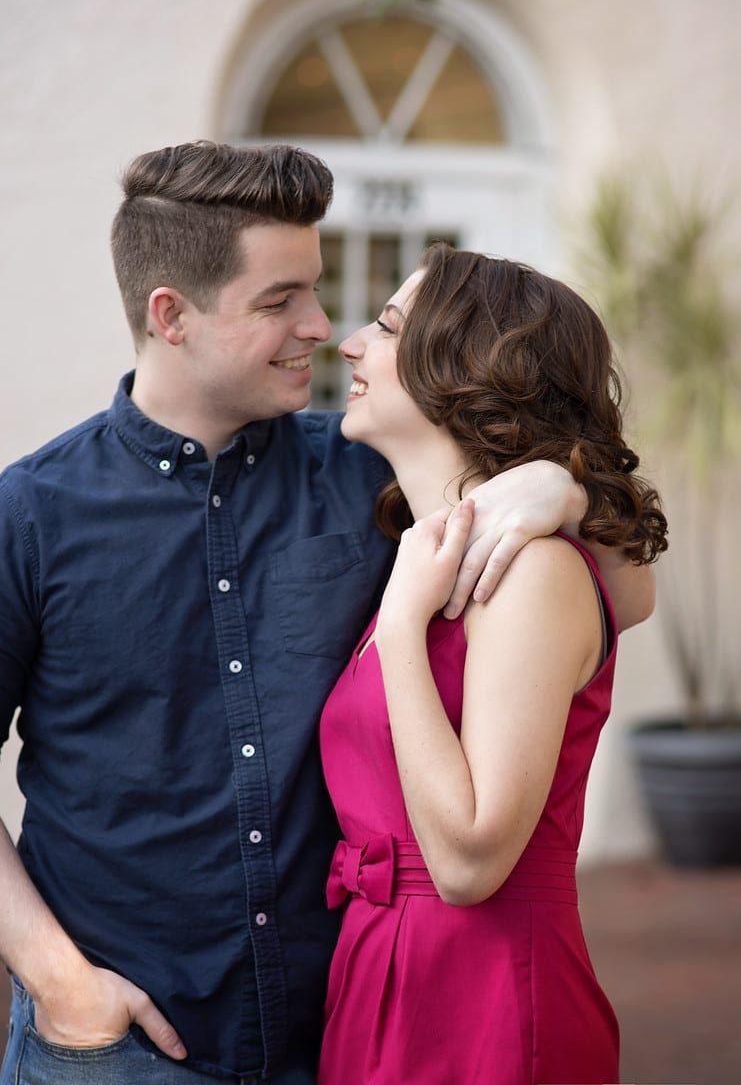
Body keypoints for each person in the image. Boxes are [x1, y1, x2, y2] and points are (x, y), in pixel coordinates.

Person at [0, 142, 654, 1085]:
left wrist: (558, 490)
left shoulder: (369, 472)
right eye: (279, 302)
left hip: (343, 1028)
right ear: (170, 315)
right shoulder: (32, 513)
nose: (320, 323)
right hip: (121, 1045)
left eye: (314, 288)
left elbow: (619, 597)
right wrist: (59, 981)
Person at [318, 245, 668, 1085]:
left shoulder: (529, 574)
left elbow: (470, 864)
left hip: (485, 995)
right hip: (378, 972)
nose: (349, 345)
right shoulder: (431, 562)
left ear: (462, 367)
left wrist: (402, 629)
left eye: (387, 326)